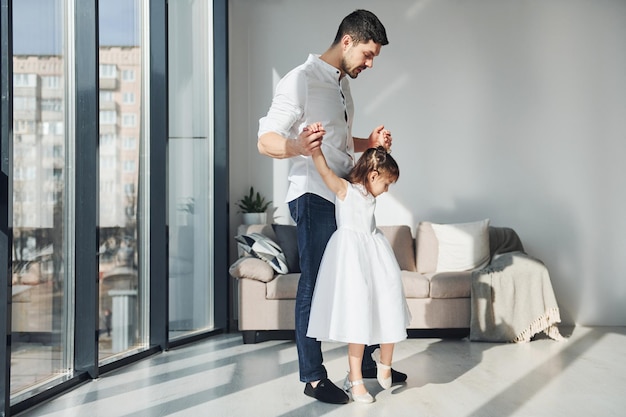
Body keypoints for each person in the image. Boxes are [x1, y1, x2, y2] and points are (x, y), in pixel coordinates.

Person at [257, 9, 407, 404]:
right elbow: (266, 139)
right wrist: (296, 146)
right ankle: (312, 376)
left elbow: (337, 145)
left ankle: (369, 361)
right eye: (368, 54)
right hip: (314, 193)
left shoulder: (341, 84)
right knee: (315, 283)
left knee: (364, 279)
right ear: (348, 42)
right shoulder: (301, 80)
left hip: (344, 195)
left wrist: (367, 142)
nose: (370, 63)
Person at [304, 123, 411, 403]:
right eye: (386, 183)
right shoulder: (346, 191)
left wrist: (382, 148)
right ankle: (355, 381)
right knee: (358, 318)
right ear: (374, 175)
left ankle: (384, 363)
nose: (386, 190)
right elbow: (325, 171)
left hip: (374, 251)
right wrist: (315, 149)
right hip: (353, 258)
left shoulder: (371, 186)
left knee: (390, 304)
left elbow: (376, 157)